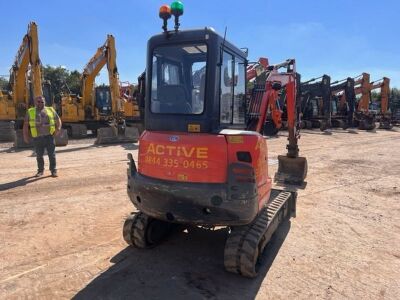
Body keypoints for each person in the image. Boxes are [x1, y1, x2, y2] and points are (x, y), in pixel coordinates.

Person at [23, 95, 62, 177]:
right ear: (35, 102)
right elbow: (25, 125)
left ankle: (53, 170)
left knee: (52, 155)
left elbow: (58, 119)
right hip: (37, 138)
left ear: (45, 102)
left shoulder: (50, 110)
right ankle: (40, 171)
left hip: (49, 136)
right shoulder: (30, 111)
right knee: (39, 155)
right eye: (38, 101)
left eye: (42, 102)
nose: (40, 103)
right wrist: (25, 136)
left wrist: (58, 129)